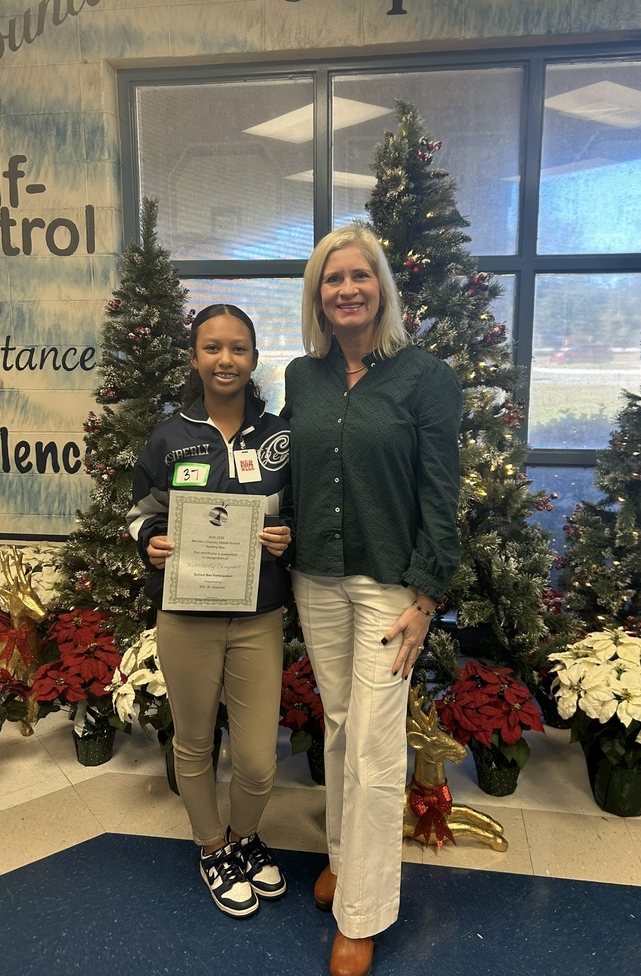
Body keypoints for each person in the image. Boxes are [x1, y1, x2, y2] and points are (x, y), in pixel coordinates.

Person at [282, 225, 462, 976]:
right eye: (332, 278)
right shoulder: (302, 375)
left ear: (382, 287)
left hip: (391, 585)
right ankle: (343, 858)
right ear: (317, 296)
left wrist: (426, 598)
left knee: (378, 744)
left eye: (360, 275)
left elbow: (441, 494)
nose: (347, 289)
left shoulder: (425, 377)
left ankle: (363, 911)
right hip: (316, 575)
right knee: (341, 727)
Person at [127, 303, 293, 919]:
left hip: (258, 615)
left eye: (239, 349)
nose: (226, 360)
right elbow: (138, 508)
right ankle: (212, 845)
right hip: (186, 617)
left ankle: (247, 837)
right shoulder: (168, 436)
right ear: (195, 357)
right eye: (213, 348)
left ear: (253, 358)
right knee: (195, 743)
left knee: (255, 756)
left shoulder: (279, 436)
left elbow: (302, 513)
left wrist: (286, 535)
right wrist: (150, 540)